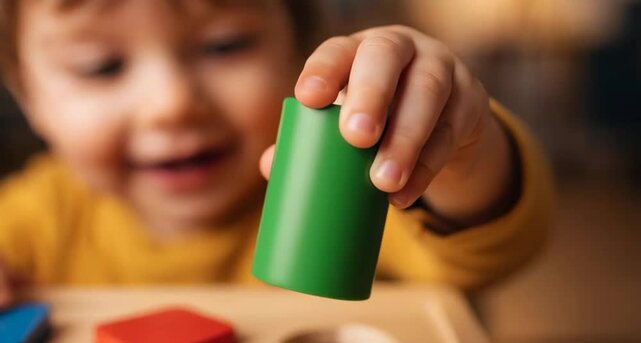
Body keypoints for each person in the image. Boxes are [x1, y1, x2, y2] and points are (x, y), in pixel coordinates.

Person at [0, 0, 553, 306]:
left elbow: (491, 253)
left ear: (302, 50)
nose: (171, 105)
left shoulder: (358, 192)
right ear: (29, 97)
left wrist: (456, 154)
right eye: (101, 66)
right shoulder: (30, 219)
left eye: (225, 45)